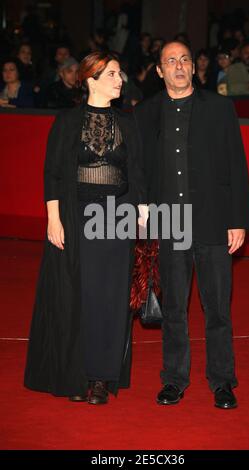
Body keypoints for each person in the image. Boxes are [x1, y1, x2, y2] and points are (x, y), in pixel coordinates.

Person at [24, 51, 147, 405]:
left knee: (112, 297)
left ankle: (102, 376)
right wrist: (53, 218)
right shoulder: (66, 122)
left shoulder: (128, 122)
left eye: (120, 73)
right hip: (78, 217)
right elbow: (54, 173)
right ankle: (80, 372)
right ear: (91, 79)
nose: (120, 79)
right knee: (82, 296)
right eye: (112, 74)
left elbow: (137, 172)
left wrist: (142, 211)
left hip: (118, 216)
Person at [134, 41, 249, 409]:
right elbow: (140, 168)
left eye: (184, 58)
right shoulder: (146, 113)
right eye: (170, 61)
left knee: (217, 308)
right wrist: (142, 208)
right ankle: (174, 379)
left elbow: (237, 166)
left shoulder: (220, 108)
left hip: (214, 221)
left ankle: (222, 382)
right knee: (174, 310)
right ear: (159, 70)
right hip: (170, 222)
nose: (179, 66)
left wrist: (238, 220)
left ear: (193, 66)